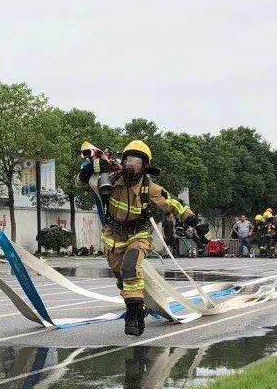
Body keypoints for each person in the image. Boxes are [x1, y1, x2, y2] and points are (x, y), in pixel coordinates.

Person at [77, 140, 211, 336]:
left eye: (136, 161)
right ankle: (138, 306)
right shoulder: (110, 179)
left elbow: (175, 205)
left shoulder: (151, 189)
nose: (131, 164)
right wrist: (91, 168)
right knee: (123, 280)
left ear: (145, 166)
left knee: (130, 267)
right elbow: (80, 183)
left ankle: (133, 317)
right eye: (128, 159)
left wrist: (197, 223)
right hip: (112, 236)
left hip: (138, 235)